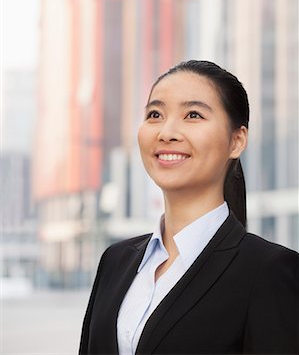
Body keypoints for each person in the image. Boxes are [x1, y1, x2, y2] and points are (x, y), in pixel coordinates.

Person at [79, 60, 299, 355]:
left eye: (193, 115)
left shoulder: (269, 271)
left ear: (236, 141)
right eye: (155, 114)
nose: (167, 132)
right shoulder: (115, 262)